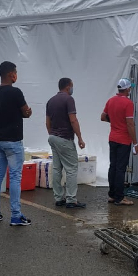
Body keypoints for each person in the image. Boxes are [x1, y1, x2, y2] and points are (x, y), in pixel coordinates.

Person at [0, 61, 33, 226]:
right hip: (13, 140)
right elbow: (25, 111)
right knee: (15, 176)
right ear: (10, 74)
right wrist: (28, 113)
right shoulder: (16, 92)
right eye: (15, 72)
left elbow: (5, 112)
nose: (16, 75)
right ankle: (16, 215)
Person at [46, 77, 86, 209]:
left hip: (53, 138)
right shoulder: (69, 99)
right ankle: (71, 199)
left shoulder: (50, 101)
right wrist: (79, 138)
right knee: (71, 169)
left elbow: (48, 123)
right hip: (65, 138)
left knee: (57, 168)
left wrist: (52, 134)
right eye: (72, 86)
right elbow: (73, 120)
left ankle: (58, 198)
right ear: (68, 87)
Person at [101, 78, 138, 206]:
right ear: (127, 89)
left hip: (113, 138)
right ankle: (120, 197)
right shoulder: (128, 103)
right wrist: (135, 142)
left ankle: (112, 195)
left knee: (113, 166)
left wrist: (115, 122)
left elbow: (103, 117)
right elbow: (130, 124)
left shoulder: (111, 100)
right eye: (130, 88)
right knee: (121, 169)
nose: (130, 90)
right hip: (123, 139)